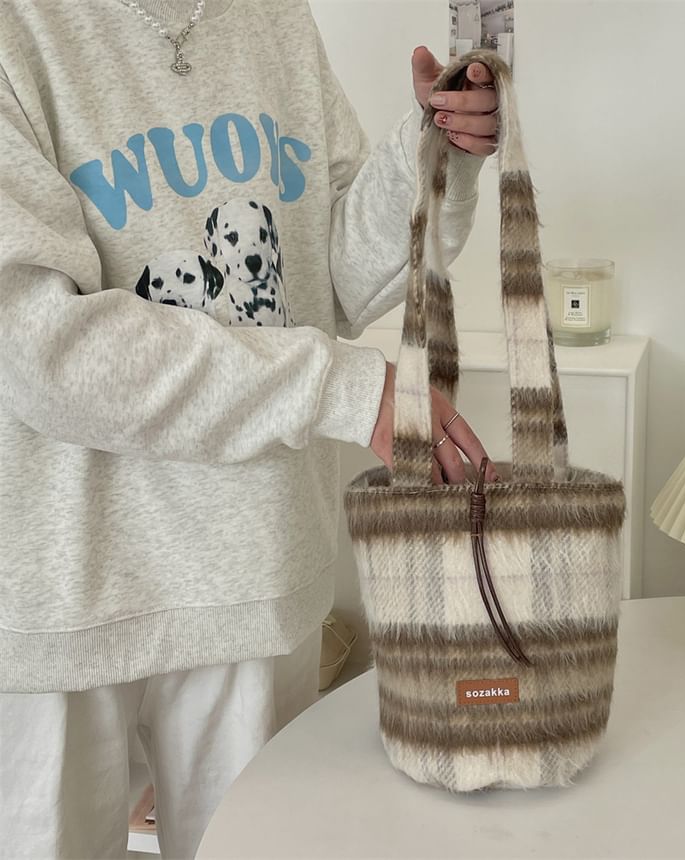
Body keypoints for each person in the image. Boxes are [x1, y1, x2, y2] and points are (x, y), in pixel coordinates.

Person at [0, 1, 499, 857]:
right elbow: (39, 350)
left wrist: (437, 149)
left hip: (254, 565)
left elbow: (331, 273)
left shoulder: (274, 16)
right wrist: (345, 388)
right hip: (65, 585)